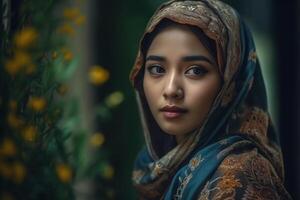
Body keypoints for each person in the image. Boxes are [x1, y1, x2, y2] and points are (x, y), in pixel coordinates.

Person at [129, 0, 292, 199]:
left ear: (230, 84)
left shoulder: (236, 178)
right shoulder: (155, 166)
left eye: (195, 71)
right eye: (157, 69)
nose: (171, 90)